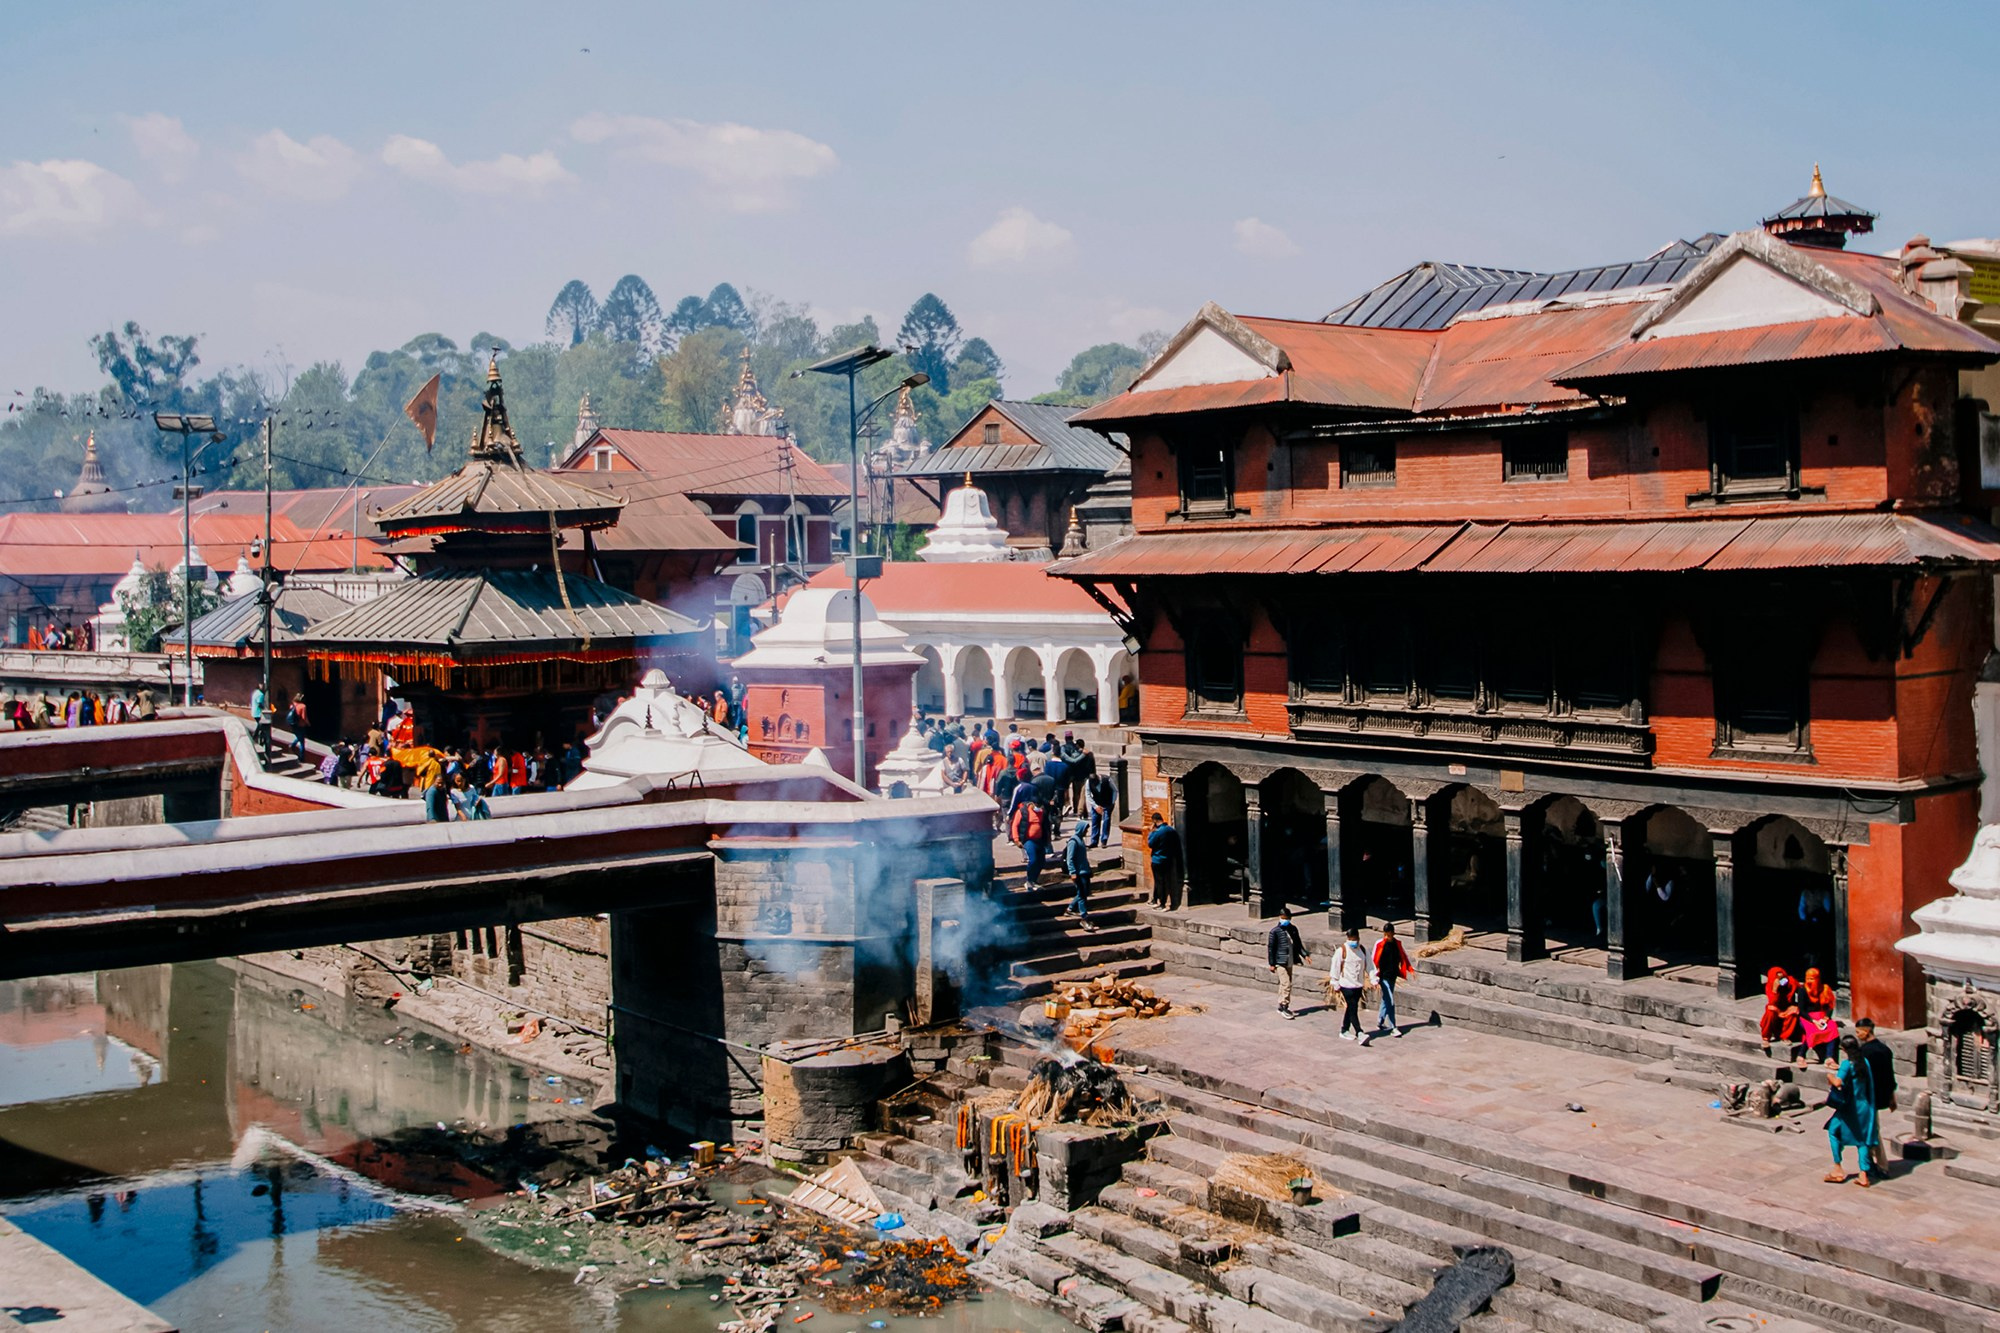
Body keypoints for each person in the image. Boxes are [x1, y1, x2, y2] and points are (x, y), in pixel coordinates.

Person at [1823, 1034, 1878, 1186]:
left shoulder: (1847, 1064)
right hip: (1864, 1107)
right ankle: (1863, 1174)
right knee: (1862, 1141)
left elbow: (1837, 1082)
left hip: (1849, 1108)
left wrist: (1829, 1076)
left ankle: (1837, 1167)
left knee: (1833, 1131)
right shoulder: (1865, 1062)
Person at [1362, 924, 1413, 1046]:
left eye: (1389, 935)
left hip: (1393, 975)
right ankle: (1393, 1026)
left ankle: (1380, 1021)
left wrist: (1410, 969)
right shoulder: (1379, 944)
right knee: (1390, 999)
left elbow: (1403, 956)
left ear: (1393, 933)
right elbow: (1373, 961)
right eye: (1385, 934)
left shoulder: (1397, 944)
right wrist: (1373, 978)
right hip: (1383, 976)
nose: (1387, 937)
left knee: (1386, 999)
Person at [1853, 1017, 1898, 1149]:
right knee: (1873, 1127)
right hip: (1881, 1094)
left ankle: (1874, 1158)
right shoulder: (1885, 1049)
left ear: (1866, 1031)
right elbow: (1890, 1076)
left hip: (1867, 1095)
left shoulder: (1863, 1052)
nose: (1857, 1035)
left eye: (1858, 1032)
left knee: (1869, 1130)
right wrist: (1892, 1098)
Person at [1266, 908, 1308, 1018]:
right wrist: (1272, 964)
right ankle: (1285, 1005)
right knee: (1286, 983)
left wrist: (1305, 955)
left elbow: (1298, 944)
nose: (1285, 920)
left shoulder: (1293, 929)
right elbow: (1271, 948)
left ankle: (1280, 1005)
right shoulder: (1275, 931)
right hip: (1280, 961)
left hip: (1289, 960)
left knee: (1285, 983)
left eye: (1287, 918)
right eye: (1283, 918)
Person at [1330, 928, 1370, 1041]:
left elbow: (1370, 965)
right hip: (1346, 985)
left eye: (1355, 939)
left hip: (1358, 984)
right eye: (1351, 939)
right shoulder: (1341, 951)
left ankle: (1344, 1029)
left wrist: (1373, 978)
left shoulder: (1363, 950)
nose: (1353, 941)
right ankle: (1359, 1032)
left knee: (1351, 1007)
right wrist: (1334, 982)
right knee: (1353, 1007)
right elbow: (1335, 966)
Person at [1797, 968, 1839, 1063]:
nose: (1809, 981)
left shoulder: (1824, 989)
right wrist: (1813, 1021)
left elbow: (1830, 1006)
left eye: (1812, 979)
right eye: (1808, 978)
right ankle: (1801, 1054)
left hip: (1822, 1016)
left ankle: (1829, 1057)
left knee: (1833, 1028)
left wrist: (1826, 1018)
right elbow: (1802, 1010)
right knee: (1812, 1030)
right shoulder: (1802, 990)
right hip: (1807, 1018)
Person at [1062, 824, 1097, 931]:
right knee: (1082, 895)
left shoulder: (1081, 840)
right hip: (1079, 873)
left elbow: (1083, 858)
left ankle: (1070, 908)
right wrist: (1072, 872)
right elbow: (1070, 859)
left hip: (1085, 872)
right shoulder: (1073, 841)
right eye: (1086, 829)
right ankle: (1084, 918)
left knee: (1084, 893)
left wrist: (1089, 870)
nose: (1087, 831)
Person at [1759, 966, 1802, 1049]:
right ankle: (1766, 1037)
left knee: (1794, 1011)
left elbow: (1801, 990)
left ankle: (1785, 1036)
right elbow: (1772, 1002)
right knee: (1769, 1012)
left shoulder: (1791, 981)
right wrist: (1775, 989)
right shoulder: (1770, 985)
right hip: (1776, 1007)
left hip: (1787, 1007)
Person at [1148, 811, 1184, 910]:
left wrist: (1151, 832)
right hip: (1168, 859)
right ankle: (1158, 900)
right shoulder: (1171, 830)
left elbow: (1150, 844)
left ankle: (1162, 903)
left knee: (1159, 882)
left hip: (1157, 860)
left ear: (1154, 821)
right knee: (1166, 881)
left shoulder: (1157, 832)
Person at [1021, 798, 1050, 885]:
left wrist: (1048, 838)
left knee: (1041, 861)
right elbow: (1015, 825)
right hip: (1029, 840)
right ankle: (1029, 880)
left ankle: (1034, 879)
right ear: (1032, 804)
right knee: (1033, 860)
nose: (1038, 807)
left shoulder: (1042, 813)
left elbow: (1046, 826)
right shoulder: (1024, 812)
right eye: (1037, 805)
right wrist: (1016, 839)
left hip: (1039, 840)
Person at [1086, 770, 1117, 848]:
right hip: (1096, 803)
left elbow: (1115, 790)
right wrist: (1095, 806)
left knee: (1106, 821)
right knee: (1095, 822)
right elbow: (1088, 795)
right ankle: (1094, 841)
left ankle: (1104, 841)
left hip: (1107, 803)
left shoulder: (1107, 780)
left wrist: (1112, 802)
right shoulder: (1088, 782)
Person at [284, 694, 310, 760]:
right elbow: (304, 717)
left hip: (294, 724)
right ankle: (301, 757)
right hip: (301, 725)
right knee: (302, 742)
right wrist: (308, 723)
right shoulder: (303, 706)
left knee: (299, 737)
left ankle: (292, 746)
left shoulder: (292, 705)